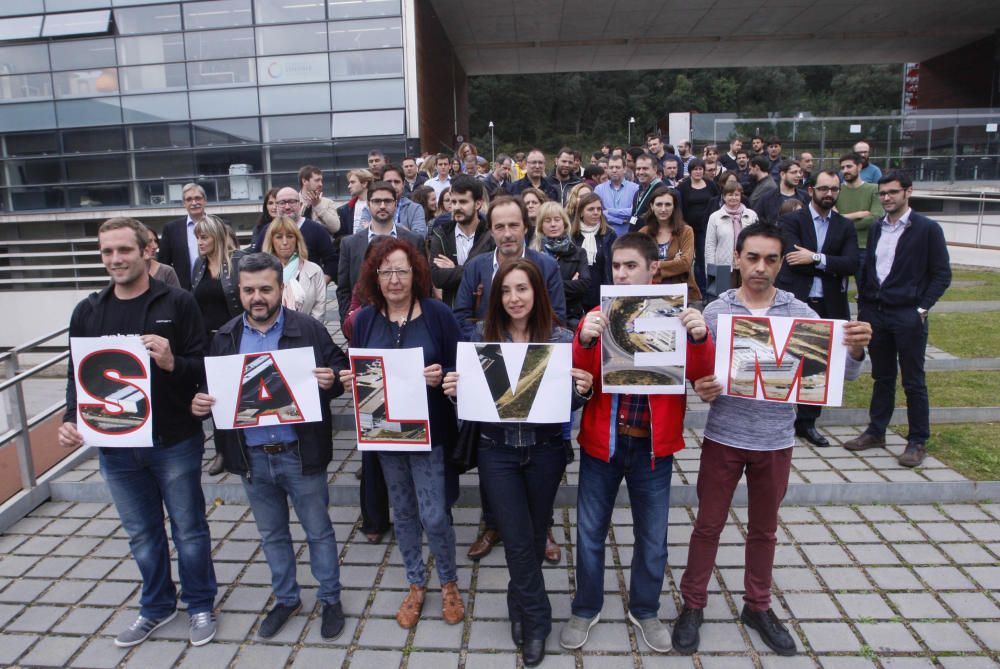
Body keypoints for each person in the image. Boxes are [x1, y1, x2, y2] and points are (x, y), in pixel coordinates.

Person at [673, 222, 871, 657]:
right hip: (724, 436)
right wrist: (700, 386)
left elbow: (845, 372)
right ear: (736, 260)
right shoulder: (715, 313)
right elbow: (698, 371)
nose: (760, 268)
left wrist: (856, 349)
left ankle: (757, 606)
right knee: (707, 525)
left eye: (770, 259)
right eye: (752, 258)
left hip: (775, 440)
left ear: (781, 263)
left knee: (764, 531)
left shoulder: (800, 312)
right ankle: (693, 603)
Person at [59, 217, 217, 648]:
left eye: (123, 250)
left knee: (188, 529)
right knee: (142, 534)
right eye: (107, 252)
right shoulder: (88, 311)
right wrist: (70, 418)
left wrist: (171, 363)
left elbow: (203, 367)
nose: (115, 259)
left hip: (174, 440)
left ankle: (201, 603)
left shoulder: (178, 302)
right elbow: (79, 376)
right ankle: (156, 606)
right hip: (116, 447)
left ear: (148, 250)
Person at [560, 232, 714, 654]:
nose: (622, 274)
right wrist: (585, 339)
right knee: (590, 532)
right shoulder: (598, 313)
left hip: (652, 447)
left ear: (653, 269)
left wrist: (700, 337)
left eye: (631, 266)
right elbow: (578, 377)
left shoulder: (677, 315)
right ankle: (586, 606)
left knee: (653, 535)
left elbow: (700, 374)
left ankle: (645, 609)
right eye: (616, 267)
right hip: (602, 445)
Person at [443, 259, 594, 668]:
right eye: (506, 291)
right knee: (514, 533)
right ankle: (539, 619)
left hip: (545, 452)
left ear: (537, 293)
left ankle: (519, 602)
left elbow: (567, 406)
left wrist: (582, 392)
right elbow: (471, 407)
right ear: (497, 297)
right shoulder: (481, 336)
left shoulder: (561, 339)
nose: (514, 298)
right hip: (497, 452)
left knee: (530, 534)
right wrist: (455, 392)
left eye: (522, 289)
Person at [191, 252, 348, 641]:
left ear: (281, 288)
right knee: (272, 535)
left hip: (300, 451)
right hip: (252, 457)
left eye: (265, 289)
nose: (257, 297)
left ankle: (330, 598)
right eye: (248, 290)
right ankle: (286, 598)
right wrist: (200, 403)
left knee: (319, 531)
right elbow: (212, 392)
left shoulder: (309, 329)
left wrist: (332, 382)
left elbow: (340, 371)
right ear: (239, 292)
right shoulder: (226, 337)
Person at [340, 239, 465, 630]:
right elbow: (364, 371)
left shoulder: (437, 314)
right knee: (405, 512)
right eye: (386, 271)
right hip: (387, 433)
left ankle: (449, 582)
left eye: (402, 270)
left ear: (416, 274)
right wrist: (352, 382)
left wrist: (442, 374)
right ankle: (415, 582)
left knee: (434, 514)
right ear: (374, 277)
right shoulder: (364, 320)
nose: (394, 279)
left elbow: (460, 368)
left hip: (430, 432)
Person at [453, 196, 568, 560]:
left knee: (540, 454)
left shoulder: (545, 265)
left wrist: (527, 353)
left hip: (538, 370)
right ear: (491, 229)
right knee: (494, 450)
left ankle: (543, 526)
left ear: (525, 226)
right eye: (499, 226)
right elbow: (460, 316)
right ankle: (492, 524)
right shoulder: (475, 268)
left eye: (513, 225)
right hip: (491, 367)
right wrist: (488, 344)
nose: (506, 233)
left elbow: (558, 316)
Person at [843, 172, 951, 467]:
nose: (887, 198)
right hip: (877, 313)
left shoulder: (927, 229)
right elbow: (871, 268)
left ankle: (917, 440)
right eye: (883, 193)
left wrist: (922, 308)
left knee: (914, 380)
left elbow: (942, 274)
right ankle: (877, 430)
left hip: (908, 313)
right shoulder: (878, 228)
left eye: (893, 192)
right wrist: (864, 306)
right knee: (882, 375)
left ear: (908, 192)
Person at [776, 170, 859, 447]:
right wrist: (829, 265)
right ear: (811, 189)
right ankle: (781, 418)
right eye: (824, 188)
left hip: (829, 303)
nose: (829, 194)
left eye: (834, 189)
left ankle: (807, 423)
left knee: (818, 366)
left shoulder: (844, 226)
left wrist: (815, 257)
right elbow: (791, 256)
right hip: (795, 300)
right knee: (787, 360)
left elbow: (851, 264)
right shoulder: (791, 220)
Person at [337, 182, 422, 337]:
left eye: (388, 201)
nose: (382, 206)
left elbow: (422, 284)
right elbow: (343, 289)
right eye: (377, 201)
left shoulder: (414, 240)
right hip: (364, 326)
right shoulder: (350, 244)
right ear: (368, 204)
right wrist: (347, 323)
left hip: (407, 324)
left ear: (395, 204)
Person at [427, 175, 492, 308]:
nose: (456, 207)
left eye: (463, 202)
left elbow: (492, 275)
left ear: (478, 204)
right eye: (453, 202)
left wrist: (454, 270)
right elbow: (437, 277)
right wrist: (474, 273)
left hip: (485, 314)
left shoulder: (490, 234)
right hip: (453, 312)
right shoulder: (441, 233)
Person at [252, 187, 336, 283]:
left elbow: (332, 261)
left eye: (292, 202)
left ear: (300, 204)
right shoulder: (267, 230)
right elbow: (255, 261)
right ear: (277, 206)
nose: (287, 207)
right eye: (282, 203)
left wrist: (319, 285)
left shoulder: (317, 230)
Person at [531, 201, 590, 330]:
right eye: (547, 220)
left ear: (564, 223)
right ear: (540, 226)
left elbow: (584, 285)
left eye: (557, 219)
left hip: (572, 318)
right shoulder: (533, 255)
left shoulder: (579, 252)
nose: (553, 224)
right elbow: (532, 289)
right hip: (540, 319)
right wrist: (569, 284)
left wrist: (547, 285)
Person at [639, 186, 701, 304]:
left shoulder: (686, 231)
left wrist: (655, 265)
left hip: (680, 292)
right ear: (652, 206)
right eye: (659, 204)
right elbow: (641, 267)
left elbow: (685, 264)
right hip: (651, 292)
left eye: (668, 204)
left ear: (674, 207)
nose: (663, 209)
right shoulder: (643, 233)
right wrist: (674, 262)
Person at [261, 216, 326, 321]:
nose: (285, 242)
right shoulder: (262, 272)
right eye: (279, 237)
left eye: (290, 236)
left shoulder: (314, 270)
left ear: (297, 240)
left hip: (307, 332)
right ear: (271, 241)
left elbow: (319, 309)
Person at [191, 215, 244, 336]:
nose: (199, 242)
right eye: (197, 238)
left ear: (217, 237)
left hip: (234, 335)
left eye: (204, 238)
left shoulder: (239, 260)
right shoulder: (199, 264)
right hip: (204, 337)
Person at [704, 181, 758, 301]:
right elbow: (710, 244)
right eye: (730, 194)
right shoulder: (715, 217)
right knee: (724, 300)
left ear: (741, 196)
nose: (733, 198)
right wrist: (710, 269)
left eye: (736, 195)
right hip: (724, 266)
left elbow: (758, 241)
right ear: (723, 197)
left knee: (747, 299)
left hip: (747, 264)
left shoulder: (752, 215)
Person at [676, 158, 721, 296]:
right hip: (688, 228)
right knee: (688, 260)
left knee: (704, 260)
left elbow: (717, 201)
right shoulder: (683, 186)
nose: (698, 171)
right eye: (695, 169)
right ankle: (695, 290)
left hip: (706, 229)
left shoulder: (710, 184)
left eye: (700, 169)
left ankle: (707, 291)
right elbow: (679, 206)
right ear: (690, 171)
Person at [159, 183, 210, 290]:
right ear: (184, 203)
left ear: (205, 200)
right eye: (189, 199)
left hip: (213, 289)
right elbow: (163, 263)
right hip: (183, 291)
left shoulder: (220, 225)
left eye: (198, 198)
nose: (194, 203)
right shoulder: (171, 229)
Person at [571, 193, 616, 312]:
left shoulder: (609, 235)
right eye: (591, 209)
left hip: (602, 292)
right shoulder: (572, 236)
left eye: (599, 209)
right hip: (578, 295)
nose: (596, 212)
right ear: (581, 212)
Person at [837, 153, 884, 245]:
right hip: (840, 244)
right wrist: (858, 215)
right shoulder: (835, 190)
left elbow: (876, 217)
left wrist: (843, 223)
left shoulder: (874, 189)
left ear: (859, 167)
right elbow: (831, 219)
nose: (845, 170)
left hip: (866, 245)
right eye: (842, 168)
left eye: (849, 166)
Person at [595, 154, 639, 236]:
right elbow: (599, 214)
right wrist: (621, 220)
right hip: (605, 236)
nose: (614, 170)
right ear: (607, 170)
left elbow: (635, 213)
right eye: (611, 167)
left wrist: (609, 211)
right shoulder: (599, 189)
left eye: (618, 167)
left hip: (629, 236)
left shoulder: (635, 188)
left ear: (625, 169)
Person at [761, 160, 809, 225]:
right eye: (794, 172)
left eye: (799, 172)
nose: (798, 175)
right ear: (782, 174)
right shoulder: (767, 198)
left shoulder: (805, 196)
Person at [298, 165, 339, 237]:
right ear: (304, 181)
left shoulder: (328, 203)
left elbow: (335, 228)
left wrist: (318, 205)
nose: (321, 184)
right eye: (317, 180)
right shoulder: (293, 202)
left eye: (321, 180)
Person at [628, 154, 663, 231]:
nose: (640, 172)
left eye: (645, 168)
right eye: (638, 169)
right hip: (636, 238)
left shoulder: (662, 192)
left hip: (651, 238)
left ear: (655, 169)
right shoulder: (638, 192)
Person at [248, 187, 280, 253]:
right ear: (266, 206)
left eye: (277, 203)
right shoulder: (259, 227)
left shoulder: (291, 225)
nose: (274, 207)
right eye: (270, 203)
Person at [344, 169, 374, 234]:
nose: (349, 186)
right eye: (349, 183)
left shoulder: (377, 205)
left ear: (364, 184)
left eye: (352, 182)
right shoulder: (346, 208)